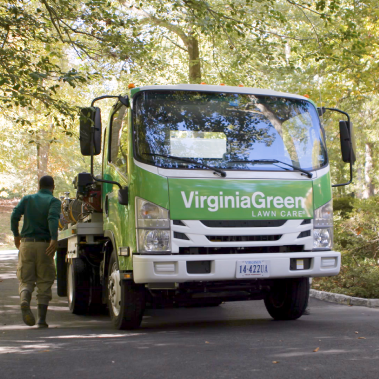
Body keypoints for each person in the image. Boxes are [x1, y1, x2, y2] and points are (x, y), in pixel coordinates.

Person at [11, 175, 61, 328]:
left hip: (26, 244)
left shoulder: (27, 199)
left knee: (26, 279)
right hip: (45, 245)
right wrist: (54, 238)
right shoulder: (54, 201)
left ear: (39, 186)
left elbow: (14, 216)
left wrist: (16, 234)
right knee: (44, 281)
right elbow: (52, 218)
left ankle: (25, 299)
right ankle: (41, 320)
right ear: (53, 187)